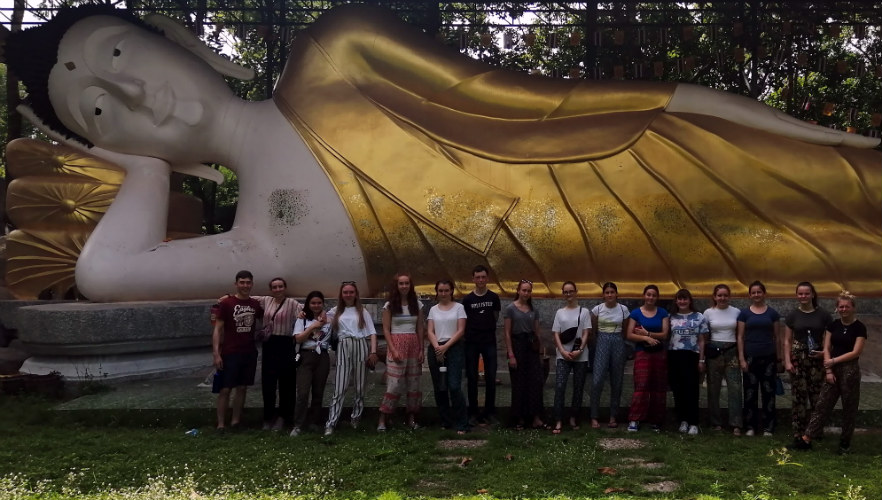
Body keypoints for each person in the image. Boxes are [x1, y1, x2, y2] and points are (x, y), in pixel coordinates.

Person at [6, 5, 880, 302]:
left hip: (650, 164)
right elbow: (107, 275)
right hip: (634, 261)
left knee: (852, 189)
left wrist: (805, 132)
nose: (126, 94)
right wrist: (145, 172)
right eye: (95, 110)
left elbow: (559, 105)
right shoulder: (250, 249)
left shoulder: (335, 50)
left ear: (172, 35)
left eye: (118, 56)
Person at [790, 291, 866, 454]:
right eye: (841, 307)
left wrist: (834, 360)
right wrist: (829, 369)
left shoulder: (859, 327)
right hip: (831, 368)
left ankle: (845, 442)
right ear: (836, 309)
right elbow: (826, 347)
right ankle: (807, 438)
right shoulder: (833, 325)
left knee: (849, 407)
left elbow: (856, 352)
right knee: (822, 405)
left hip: (850, 370)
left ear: (853, 308)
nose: (843, 309)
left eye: (847, 306)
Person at [324, 281, 378, 436]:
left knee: (360, 386)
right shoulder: (335, 311)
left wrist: (373, 352)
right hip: (343, 345)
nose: (348, 295)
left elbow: (372, 332)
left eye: (351, 292)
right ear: (341, 294)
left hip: (360, 344)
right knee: (340, 386)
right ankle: (331, 422)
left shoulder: (362, 311)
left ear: (355, 294)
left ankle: (356, 417)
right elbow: (319, 316)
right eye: (345, 292)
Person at [212, 270, 263, 432]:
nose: (245, 285)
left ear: (252, 284)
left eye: (248, 282)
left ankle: (235, 421)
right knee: (225, 388)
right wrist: (216, 353)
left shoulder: (255, 304)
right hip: (230, 351)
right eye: (242, 282)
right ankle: (221, 424)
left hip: (248, 351)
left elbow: (266, 316)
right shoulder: (227, 303)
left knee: (242, 387)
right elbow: (218, 329)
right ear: (236, 284)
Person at [783, 281, 832, 440]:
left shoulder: (824, 315)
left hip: (816, 359)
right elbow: (787, 341)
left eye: (806, 293)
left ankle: (815, 430)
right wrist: (788, 361)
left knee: (817, 397)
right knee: (798, 396)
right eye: (800, 293)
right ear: (797, 295)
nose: (803, 296)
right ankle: (799, 430)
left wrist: (825, 353)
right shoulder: (792, 315)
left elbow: (828, 338)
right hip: (798, 359)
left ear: (812, 294)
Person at [251, 277, 302, 431]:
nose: (278, 289)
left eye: (280, 286)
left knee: (287, 383)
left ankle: (284, 416)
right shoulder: (266, 300)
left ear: (285, 288)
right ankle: (268, 416)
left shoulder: (292, 303)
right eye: (275, 287)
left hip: (286, 344)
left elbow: (307, 312)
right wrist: (227, 296)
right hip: (270, 344)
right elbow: (245, 298)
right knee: (268, 383)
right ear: (271, 289)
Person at [377, 273, 425, 431]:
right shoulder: (389, 305)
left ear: (411, 286)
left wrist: (421, 349)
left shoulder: (417, 304)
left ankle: (411, 417)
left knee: (413, 384)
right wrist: (392, 349)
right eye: (401, 283)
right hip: (397, 343)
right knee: (394, 385)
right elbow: (386, 328)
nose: (404, 286)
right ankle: (384, 417)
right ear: (396, 286)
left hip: (413, 344)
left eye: (407, 283)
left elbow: (419, 327)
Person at [737, 280, 781, 437]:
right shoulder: (744, 314)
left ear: (764, 294)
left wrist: (779, 358)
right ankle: (750, 426)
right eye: (753, 292)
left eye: (759, 292)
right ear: (750, 295)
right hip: (750, 357)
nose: (756, 295)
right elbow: (740, 337)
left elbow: (777, 337)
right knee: (750, 393)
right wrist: (741, 359)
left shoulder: (773, 313)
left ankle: (769, 426)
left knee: (768, 393)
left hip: (768, 357)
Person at [426, 280, 469, 434]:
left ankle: (462, 422)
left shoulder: (459, 308)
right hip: (436, 348)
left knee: (454, 386)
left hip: (453, 348)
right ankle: (445, 420)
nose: (443, 293)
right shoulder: (433, 310)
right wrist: (437, 347)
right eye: (440, 291)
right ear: (437, 292)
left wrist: (446, 346)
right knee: (440, 387)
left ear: (451, 291)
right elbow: (430, 330)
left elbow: (461, 330)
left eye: (446, 290)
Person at [626, 284, 670, 432]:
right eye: (648, 294)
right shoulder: (636, 313)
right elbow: (630, 334)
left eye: (653, 295)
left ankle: (656, 420)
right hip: (642, 353)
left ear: (657, 297)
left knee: (658, 386)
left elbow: (664, 334)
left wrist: (648, 334)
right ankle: (635, 418)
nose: (650, 297)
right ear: (644, 296)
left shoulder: (662, 312)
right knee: (641, 385)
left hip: (659, 353)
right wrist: (646, 339)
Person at [504, 280, 547, 430]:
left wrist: (541, 352)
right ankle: (519, 418)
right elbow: (507, 333)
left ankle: (535, 417)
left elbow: (537, 332)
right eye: (524, 290)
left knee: (535, 382)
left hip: (531, 348)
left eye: (529, 291)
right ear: (518, 291)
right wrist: (511, 354)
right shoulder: (510, 309)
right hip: (517, 346)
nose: (526, 293)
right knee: (519, 383)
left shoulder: (533, 310)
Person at [462, 265, 501, 425]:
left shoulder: (493, 297)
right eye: (477, 277)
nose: (480, 280)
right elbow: (464, 320)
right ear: (473, 279)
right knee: (472, 378)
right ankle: (473, 412)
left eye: (483, 277)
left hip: (489, 341)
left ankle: (489, 412)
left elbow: (495, 317)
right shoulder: (468, 299)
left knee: (491, 377)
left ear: (487, 278)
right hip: (471, 342)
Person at [550, 281, 591, 434]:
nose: (569, 294)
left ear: (576, 292)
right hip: (563, 355)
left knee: (578, 387)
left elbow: (587, 332)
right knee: (560, 386)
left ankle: (574, 417)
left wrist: (580, 350)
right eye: (566, 292)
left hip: (580, 355)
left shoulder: (585, 311)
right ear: (563, 294)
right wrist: (562, 351)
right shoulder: (560, 312)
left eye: (571, 291)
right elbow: (555, 333)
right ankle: (558, 419)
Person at [702, 284, 744, 435]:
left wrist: (740, 355)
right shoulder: (708, 313)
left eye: (725, 295)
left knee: (735, 387)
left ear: (729, 296)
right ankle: (715, 422)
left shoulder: (736, 312)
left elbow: (740, 334)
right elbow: (705, 335)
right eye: (719, 295)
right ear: (714, 297)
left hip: (732, 350)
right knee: (713, 388)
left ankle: (736, 423)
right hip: (714, 352)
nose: (722, 298)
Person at [290, 290, 332, 436]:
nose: (316, 305)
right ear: (308, 304)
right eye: (313, 303)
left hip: (322, 357)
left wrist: (325, 316)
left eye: (319, 303)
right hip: (306, 355)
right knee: (302, 392)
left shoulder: (328, 318)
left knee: (318, 391)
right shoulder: (302, 319)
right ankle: (298, 424)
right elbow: (298, 339)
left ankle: (314, 421)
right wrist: (313, 326)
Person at [667, 289, 708, 436]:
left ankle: (694, 422)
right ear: (676, 301)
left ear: (690, 300)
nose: (682, 302)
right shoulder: (670, 317)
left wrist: (702, 359)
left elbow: (702, 340)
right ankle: (682, 420)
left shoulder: (699, 317)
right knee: (678, 390)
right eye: (679, 299)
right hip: (675, 355)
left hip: (692, 355)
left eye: (685, 299)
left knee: (692, 389)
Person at [589, 282, 629, 429]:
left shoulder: (624, 309)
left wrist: (620, 342)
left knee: (617, 381)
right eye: (607, 292)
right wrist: (597, 344)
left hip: (618, 341)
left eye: (612, 292)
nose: (610, 295)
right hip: (602, 341)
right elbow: (593, 331)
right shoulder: (597, 309)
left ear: (616, 294)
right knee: (597, 380)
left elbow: (625, 329)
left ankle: (613, 416)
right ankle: (594, 416)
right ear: (603, 295)